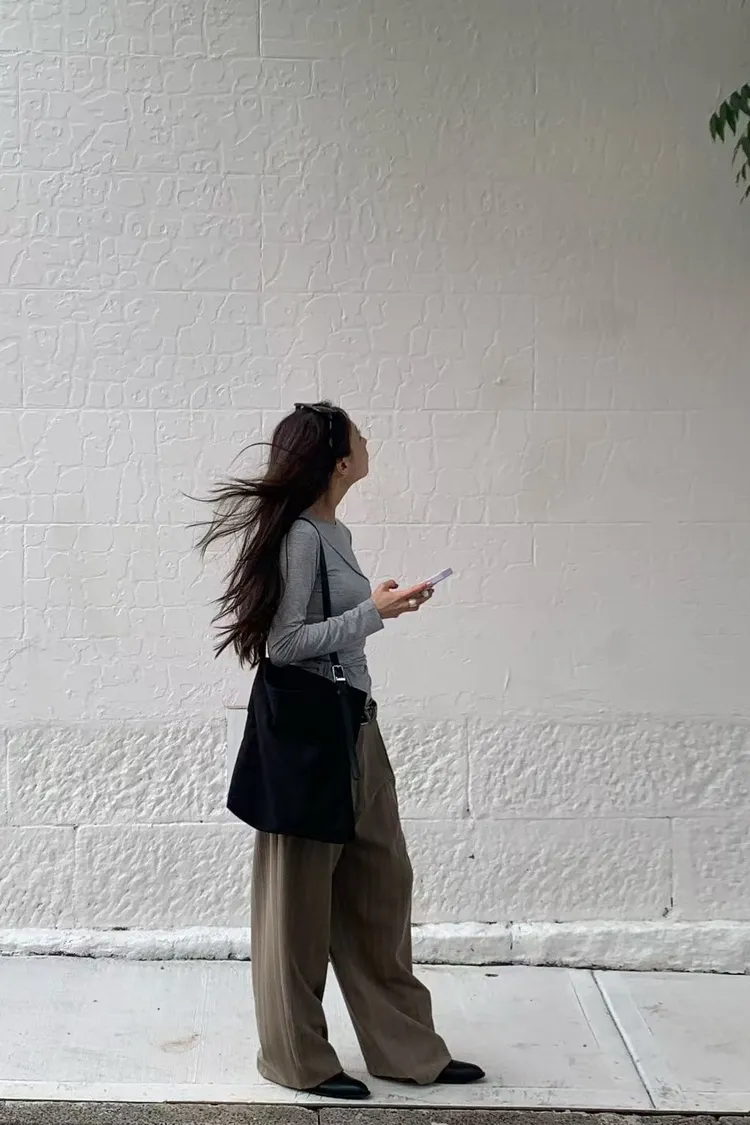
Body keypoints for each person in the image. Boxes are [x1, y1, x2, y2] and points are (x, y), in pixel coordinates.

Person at [197, 401, 484, 1100]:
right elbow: (283, 644)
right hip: (309, 738)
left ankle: (405, 1049)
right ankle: (296, 1058)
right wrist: (370, 614)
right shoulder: (300, 536)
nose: (367, 440)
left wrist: (378, 604)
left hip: (356, 725)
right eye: (359, 434)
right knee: (297, 906)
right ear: (339, 460)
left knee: (381, 884)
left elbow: (334, 622)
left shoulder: (335, 530)